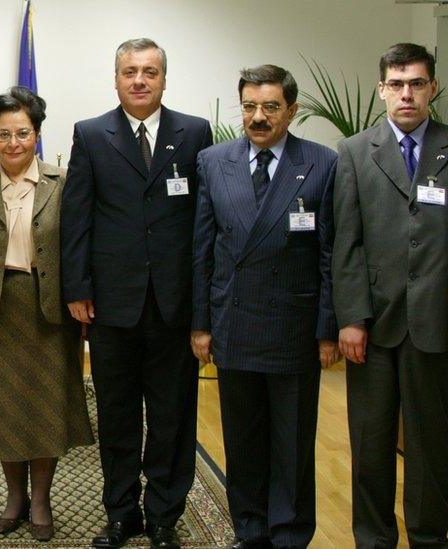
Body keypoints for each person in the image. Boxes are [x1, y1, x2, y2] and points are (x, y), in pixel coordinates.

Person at [332, 43, 448, 548]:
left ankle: (429, 538)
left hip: (440, 325)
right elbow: (346, 243)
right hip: (373, 328)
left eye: (417, 83)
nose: (407, 93)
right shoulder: (355, 152)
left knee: (432, 446)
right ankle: (374, 538)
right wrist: (351, 318)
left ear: (433, 88)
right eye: (397, 83)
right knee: (371, 445)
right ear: (382, 88)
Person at [60, 38, 213, 549]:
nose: (140, 80)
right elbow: (76, 217)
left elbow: (202, 222)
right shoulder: (91, 134)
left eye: (150, 71)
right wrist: (78, 288)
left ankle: (165, 514)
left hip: (174, 304)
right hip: (111, 304)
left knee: (171, 416)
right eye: (130, 71)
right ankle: (121, 513)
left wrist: (202, 302)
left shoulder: (194, 133)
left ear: (164, 79)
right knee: (119, 417)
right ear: (116, 78)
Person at [191, 65, 340, 549]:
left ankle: (291, 534)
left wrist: (327, 329)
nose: (258, 117)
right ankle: (250, 530)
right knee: (243, 439)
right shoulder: (214, 161)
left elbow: (330, 255)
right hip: (234, 323)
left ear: (291, 111)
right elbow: (203, 250)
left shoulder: (321, 162)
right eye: (250, 106)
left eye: (270, 107)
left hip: (293, 327)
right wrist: (201, 324)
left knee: (292, 443)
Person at [0, 86, 94, 542]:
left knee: (46, 407)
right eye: (2, 134)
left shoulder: (65, 182)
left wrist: (83, 300)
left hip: (50, 309)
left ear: (36, 134)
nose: (12, 142)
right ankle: (14, 497)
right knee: (3, 410)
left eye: (22, 133)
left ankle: (41, 500)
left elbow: (79, 249)